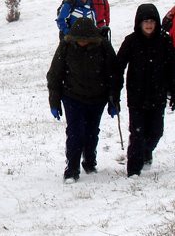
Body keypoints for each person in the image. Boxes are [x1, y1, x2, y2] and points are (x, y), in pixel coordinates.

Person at [47, 17, 120, 183]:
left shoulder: (103, 46)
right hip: (72, 97)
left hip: (97, 97)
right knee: (75, 133)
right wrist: (54, 101)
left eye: (85, 40)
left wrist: (113, 99)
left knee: (91, 132)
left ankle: (89, 160)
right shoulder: (66, 46)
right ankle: (72, 169)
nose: (82, 43)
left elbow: (114, 74)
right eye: (79, 40)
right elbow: (54, 75)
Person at [116, 4, 175, 177]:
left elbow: (173, 67)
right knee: (137, 134)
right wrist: (114, 90)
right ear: (139, 23)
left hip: (158, 95)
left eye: (152, 21)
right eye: (145, 21)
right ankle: (134, 170)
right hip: (136, 96)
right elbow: (118, 66)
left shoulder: (164, 40)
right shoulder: (131, 41)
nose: (149, 25)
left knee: (156, 132)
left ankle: (146, 151)